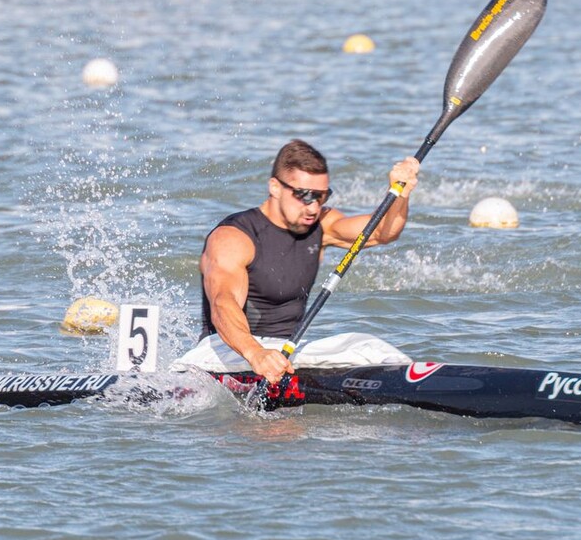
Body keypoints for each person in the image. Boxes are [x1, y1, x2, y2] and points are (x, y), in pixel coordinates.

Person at [176, 139, 420, 384]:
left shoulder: (321, 224)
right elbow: (223, 304)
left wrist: (400, 193)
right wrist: (256, 353)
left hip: (287, 350)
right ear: (275, 187)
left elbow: (382, 233)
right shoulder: (234, 237)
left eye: (321, 196)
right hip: (227, 352)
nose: (313, 207)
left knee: (371, 347)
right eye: (304, 195)